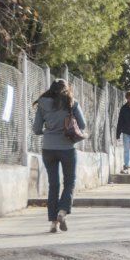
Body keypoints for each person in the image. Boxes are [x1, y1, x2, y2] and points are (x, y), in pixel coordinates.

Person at [32, 79, 86, 233]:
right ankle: (62, 211)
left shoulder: (42, 103)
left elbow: (36, 129)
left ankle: (53, 223)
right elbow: (82, 125)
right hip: (67, 148)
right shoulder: (71, 103)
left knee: (53, 185)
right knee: (69, 182)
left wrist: (48, 131)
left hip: (48, 148)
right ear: (66, 89)